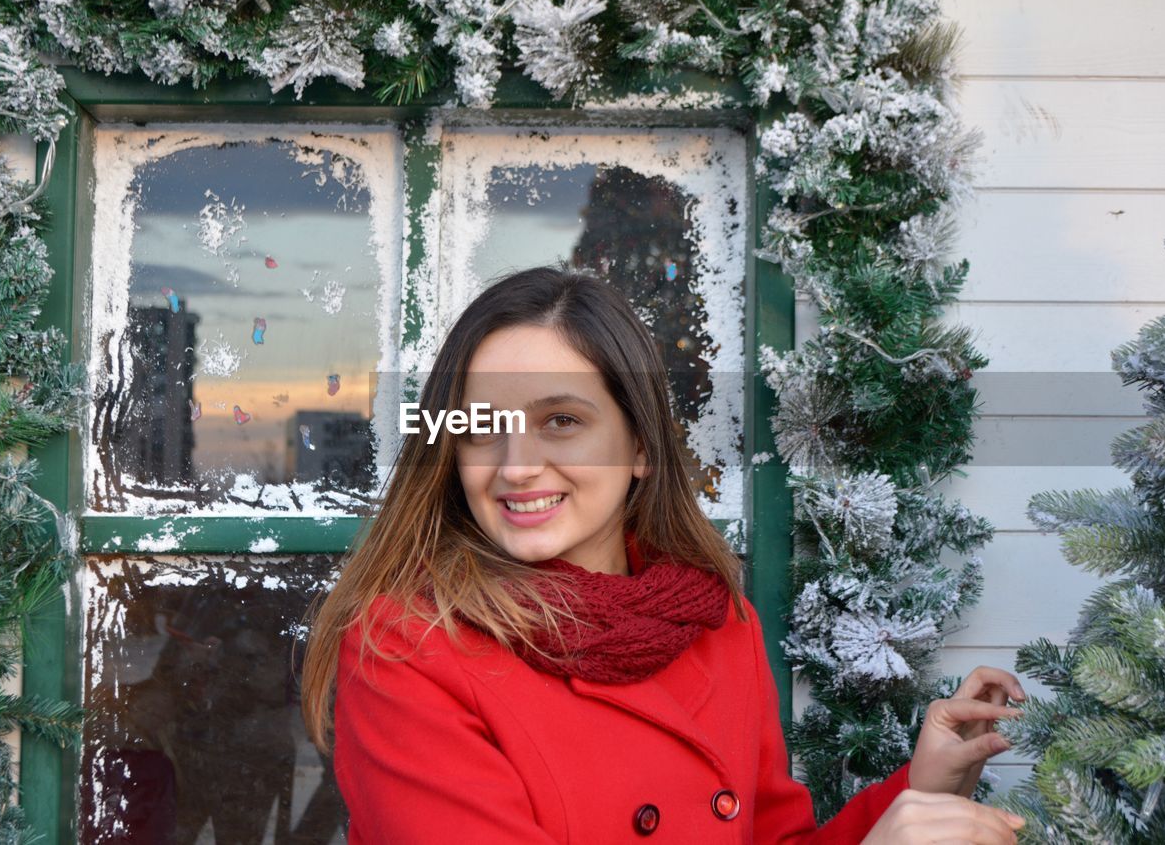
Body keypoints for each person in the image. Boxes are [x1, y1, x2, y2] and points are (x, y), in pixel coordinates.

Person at [301, 265, 1029, 843]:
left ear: (640, 447)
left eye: (561, 421)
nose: (516, 465)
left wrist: (919, 791)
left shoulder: (715, 626)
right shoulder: (408, 648)